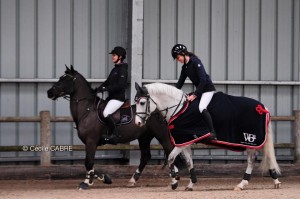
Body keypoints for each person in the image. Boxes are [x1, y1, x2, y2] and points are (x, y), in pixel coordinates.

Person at [171, 44, 217, 141]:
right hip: (200, 90)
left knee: (201, 107)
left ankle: (213, 133)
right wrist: (171, 93)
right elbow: (180, 83)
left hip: (207, 89)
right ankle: (199, 131)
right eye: (176, 58)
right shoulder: (185, 68)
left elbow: (203, 80)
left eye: (178, 57)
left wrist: (195, 94)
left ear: (183, 54)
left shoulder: (196, 62)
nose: (178, 60)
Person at [96, 46, 128, 144]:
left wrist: (106, 88)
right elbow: (107, 82)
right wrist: (98, 89)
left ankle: (115, 135)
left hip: (118, 99)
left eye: (114, 55)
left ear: (120, 56)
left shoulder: (122, 70)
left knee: (106, 113)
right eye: (112, 55)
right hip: (111, 98)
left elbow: (120, 85)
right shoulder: (115, 69)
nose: (112, 57)